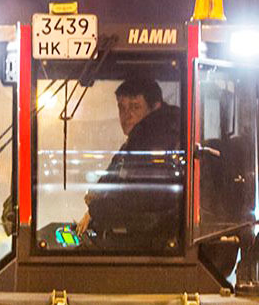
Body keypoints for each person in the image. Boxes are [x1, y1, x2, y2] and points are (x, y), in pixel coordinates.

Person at [76, 78, 181, 244]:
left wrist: (97, 209)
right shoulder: (132, 147)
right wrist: (94, 205)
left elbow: (138, 201)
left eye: (135, 106)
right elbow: (106, 185)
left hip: (148, 249)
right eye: (121, 107)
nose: (126, 115)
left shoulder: (157, 149)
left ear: (155, 108)